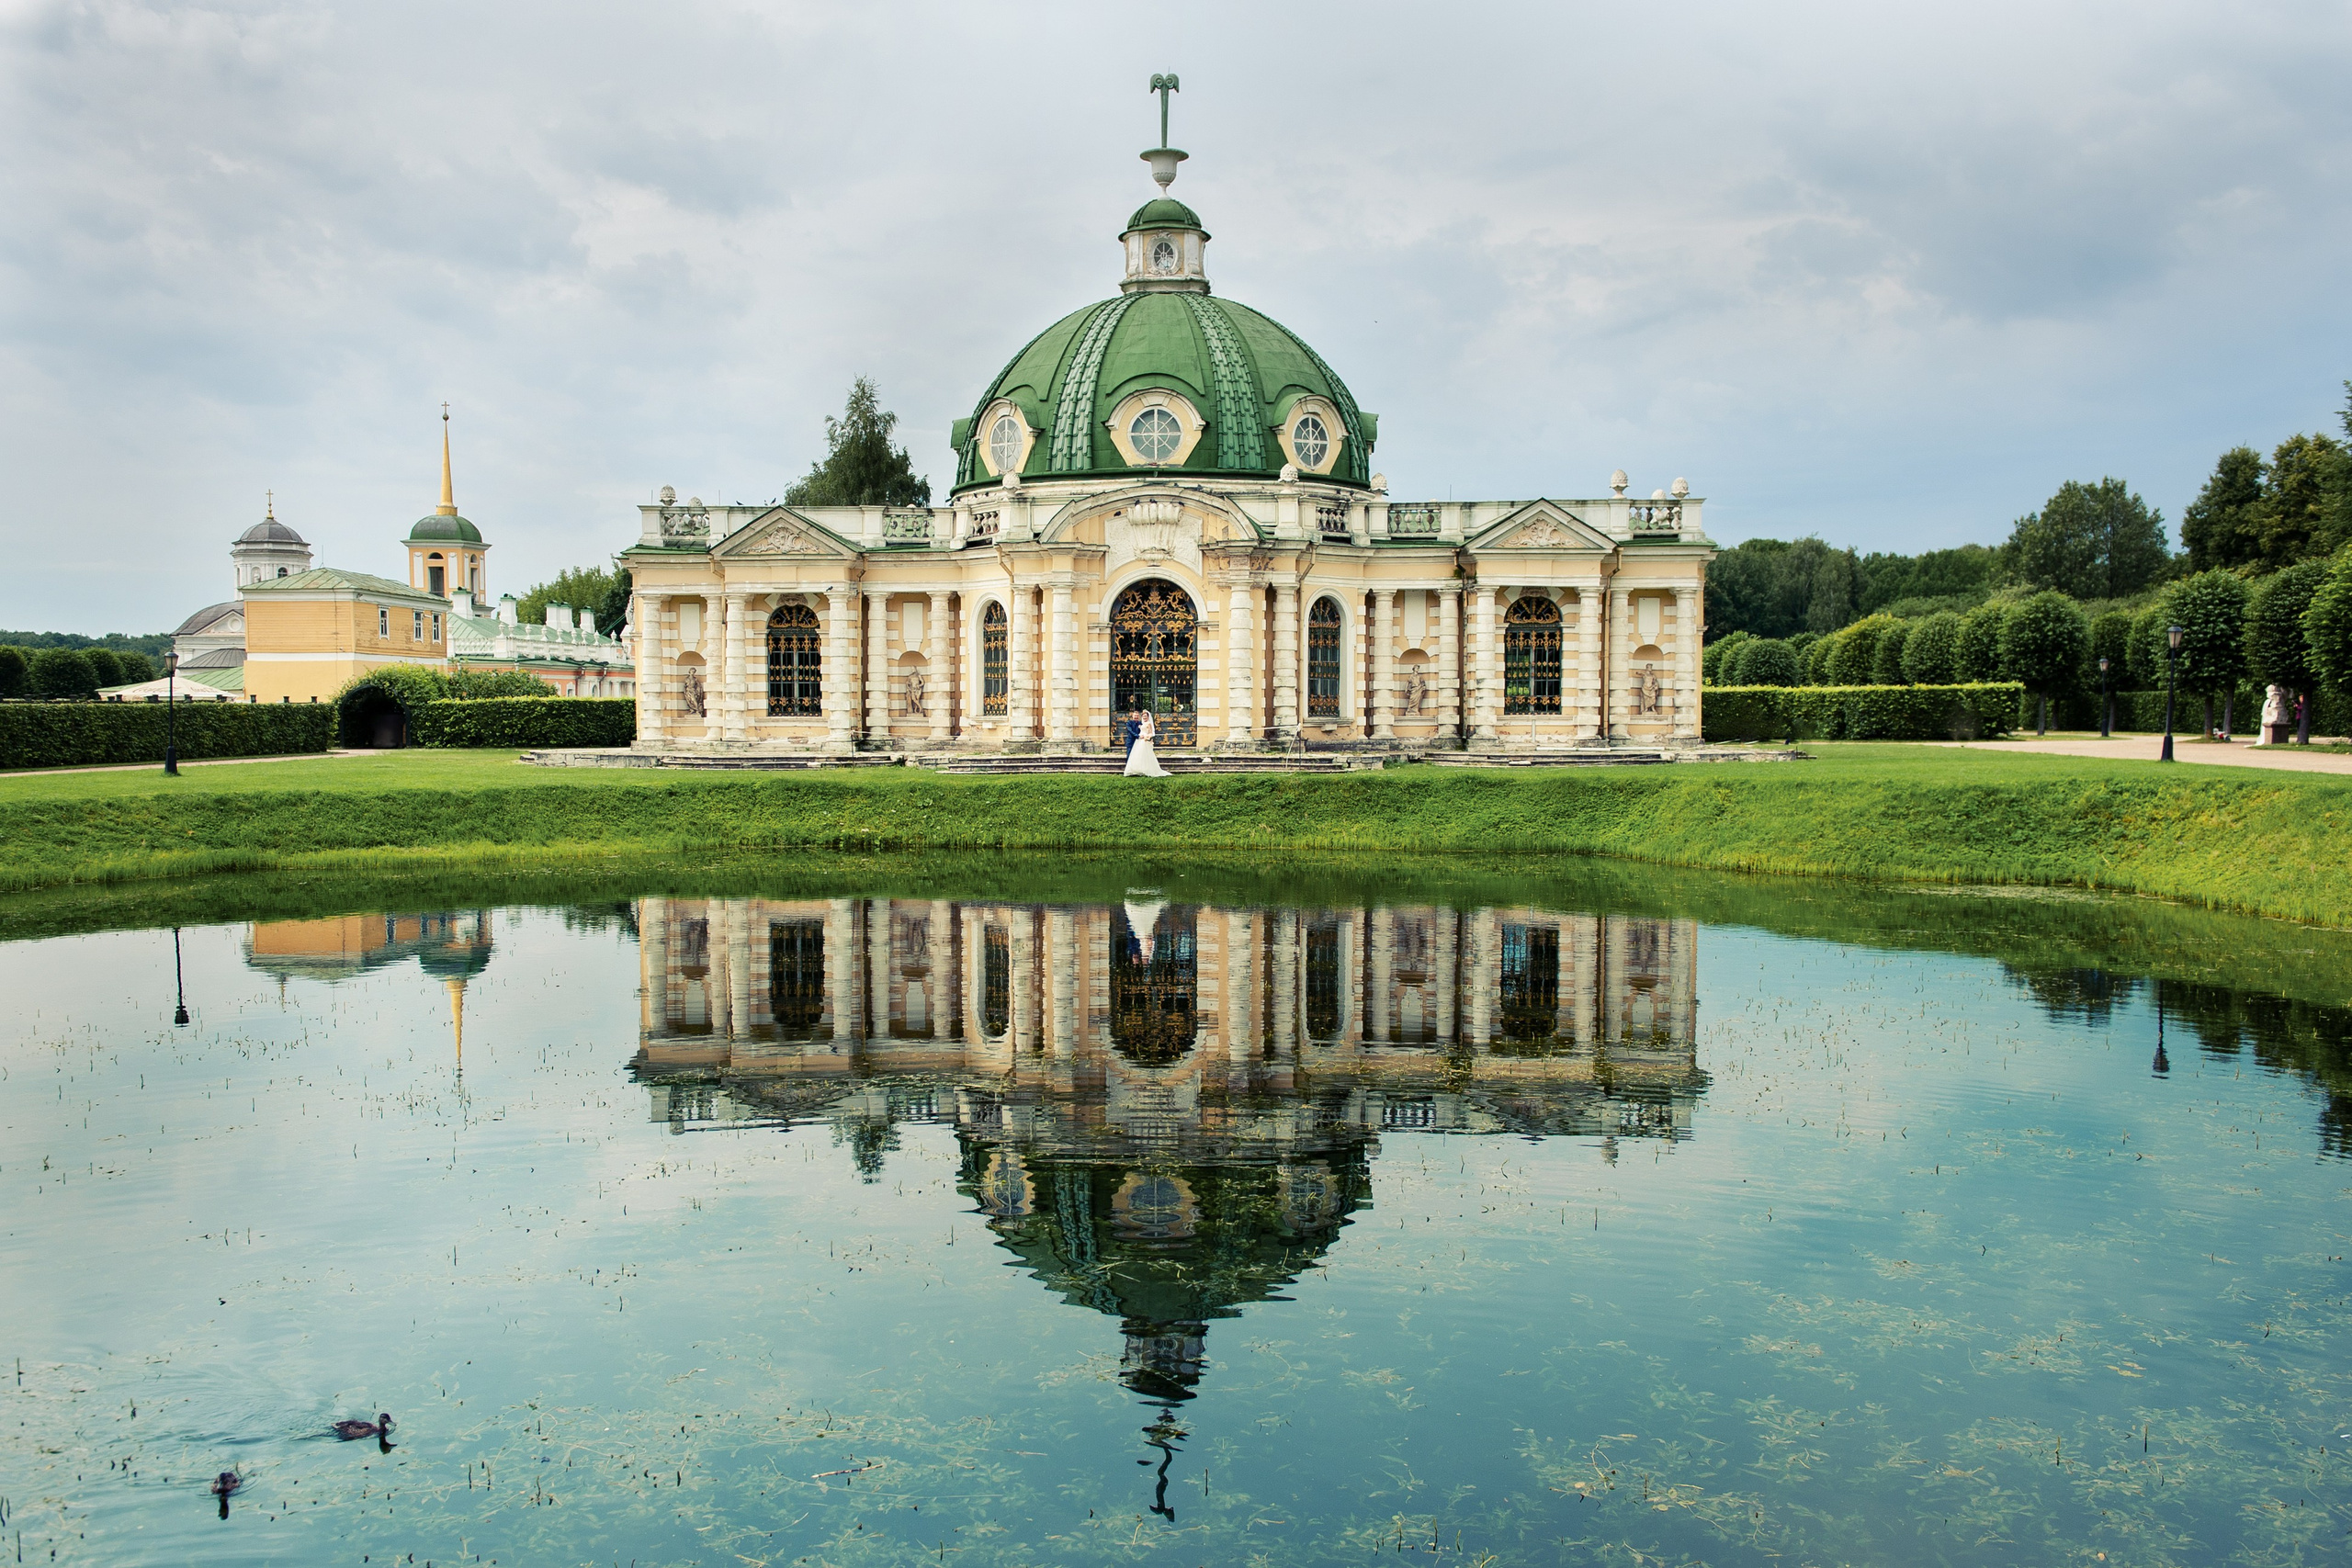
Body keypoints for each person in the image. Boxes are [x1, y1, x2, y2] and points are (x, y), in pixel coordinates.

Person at [1124, 705, 1170, 777]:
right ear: (1132, 716)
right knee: (1131, 756)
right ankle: (1130, 770)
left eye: (1137, 716)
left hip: (1141, 741)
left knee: (1142, 756)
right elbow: (1130, 731)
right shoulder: (1129, 723)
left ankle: (1142, 769)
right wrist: (1138, 736)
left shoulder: (1141, 723)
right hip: (1133, 741)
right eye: (1135, 716)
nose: (1136, 717)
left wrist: (1148, 737)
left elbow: (1150, 732)